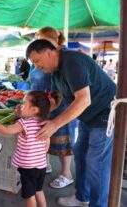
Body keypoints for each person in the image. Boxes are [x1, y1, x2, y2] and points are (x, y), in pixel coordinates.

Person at [26, 39, 116, 207]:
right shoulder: (55, 70)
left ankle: (99, 205)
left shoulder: (72, 61)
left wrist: (54, 124)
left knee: (97, 163)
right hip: (87, 117)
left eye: (37, 61)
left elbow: (83, 99)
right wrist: (36, 113)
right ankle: (82, 197)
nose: (36, 66)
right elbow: (56, 98)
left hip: (105, 114)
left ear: (48, 52)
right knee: (80, 155)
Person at [0, 90, 61, 207]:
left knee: (29, 195)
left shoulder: (24, 124)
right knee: (38, 190)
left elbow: (6, 130)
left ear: (34, 109)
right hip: (41, 166)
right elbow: (46, 145)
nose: (21, 106)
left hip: (28, 168)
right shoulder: (45, 125)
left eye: (24, 103)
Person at [33, 27, 75, 189]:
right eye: (38, 40)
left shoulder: (64, 57)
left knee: (63, 139)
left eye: (43, 40)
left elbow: (65, 85)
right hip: (40, 103)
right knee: (42, 135)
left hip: (61, 105)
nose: (39, 44)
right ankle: (46, 164)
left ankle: (66, 174)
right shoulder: (38, 56)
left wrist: (52, 104)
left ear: (55, 41)